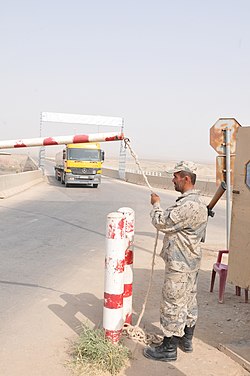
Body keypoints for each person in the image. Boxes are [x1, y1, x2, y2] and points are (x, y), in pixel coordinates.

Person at [144, 160, 208, 362]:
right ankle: (185, 340)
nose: (173, 179)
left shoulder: (188, 205)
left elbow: (162, 222)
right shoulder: (198, 203)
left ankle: (168, 349)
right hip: (191, 263)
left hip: (180, 265)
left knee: (172, 303)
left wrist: (156, 205)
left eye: (176, 176)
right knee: (189, 301)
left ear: (186, 178)